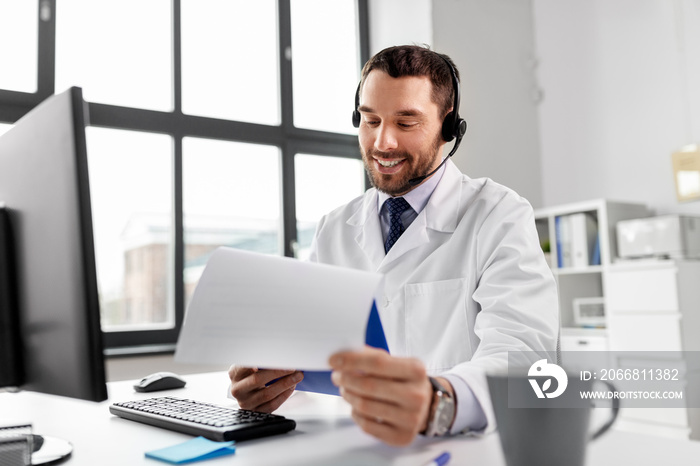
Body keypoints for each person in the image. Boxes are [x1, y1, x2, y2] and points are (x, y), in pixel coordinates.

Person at [228, 45, 559, 447]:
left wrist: (439, 402)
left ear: (448, 127)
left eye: (406, 122)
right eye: (370, 120)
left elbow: (523, 355)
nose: (382, 142)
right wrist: (267, 386)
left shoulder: (499, 214)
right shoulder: (334, 228)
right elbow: (310, 350)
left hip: (460, 448)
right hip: (356, 445)